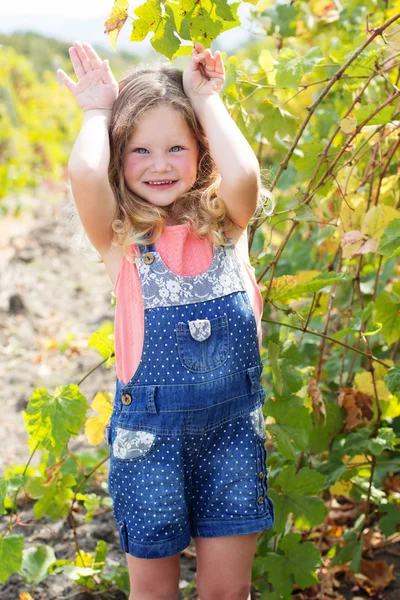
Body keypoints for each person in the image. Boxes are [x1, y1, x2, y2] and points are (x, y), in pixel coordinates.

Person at [57, 39, 274, 600]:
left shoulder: (229, 225)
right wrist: (97, 112)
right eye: (138, 151)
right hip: (149, 444)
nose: (158, 164)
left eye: (176, 147)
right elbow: (83, 173)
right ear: (116, 157)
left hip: (231, 439)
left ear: (201, 151)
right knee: (153, 592)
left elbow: (244, 171)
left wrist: (206, 99)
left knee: (228, 591)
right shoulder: (121, 243)